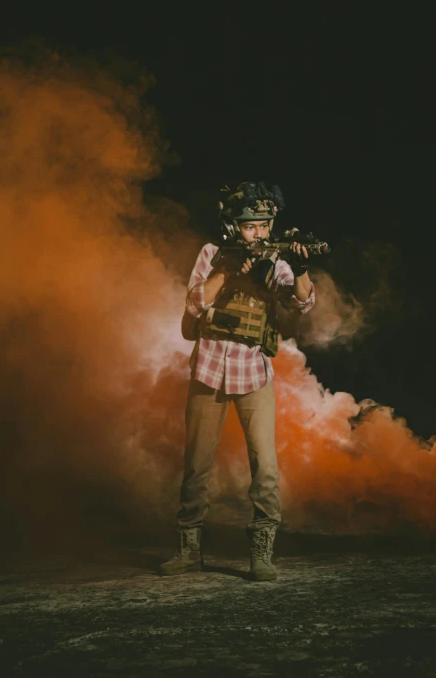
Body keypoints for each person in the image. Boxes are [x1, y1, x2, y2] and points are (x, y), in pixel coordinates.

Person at [160, 182, 315, 581]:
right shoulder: (213, 255)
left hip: (254, 371)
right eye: (251, 227)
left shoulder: (275, 260)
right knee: (196, 465)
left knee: (264, 466)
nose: (260, 233)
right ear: (233, 228)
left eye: (265, 225)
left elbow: (302, 301)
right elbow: (195, 303)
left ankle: (262, 551)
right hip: (209, 368)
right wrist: (226, 272)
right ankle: (188, 548)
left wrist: (299, 269)